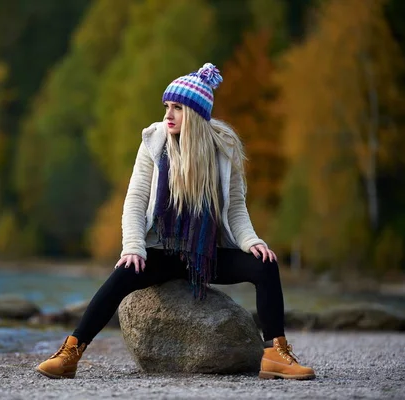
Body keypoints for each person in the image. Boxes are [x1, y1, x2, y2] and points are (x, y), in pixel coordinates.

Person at [35, 63, 316, 380]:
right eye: (167, 106)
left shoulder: (224, 151)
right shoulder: (154, 142)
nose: (168, 114)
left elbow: (236, 208)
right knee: (123, 272)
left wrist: (252, 242)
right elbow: (136, 201)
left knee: (265, 265)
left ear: (195, 113)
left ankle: (275, 355)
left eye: (177, 108)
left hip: (205, 256)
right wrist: (133, 247)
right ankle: (71, 352)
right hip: (162, 251)